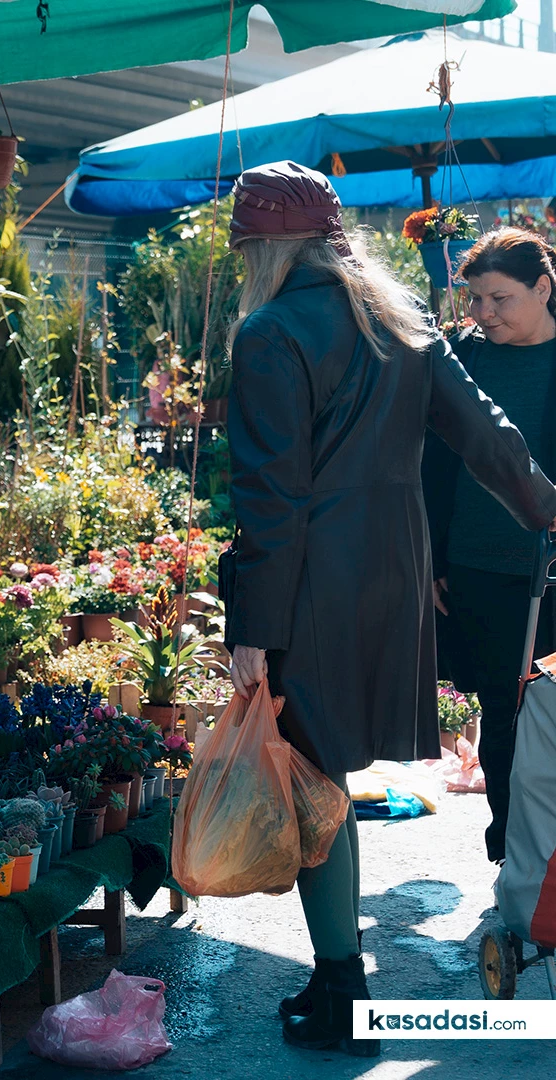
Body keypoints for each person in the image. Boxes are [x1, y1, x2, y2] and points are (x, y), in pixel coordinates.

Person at [223, 162, 556, 1058]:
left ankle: (345, 997)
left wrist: (250, 624)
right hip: (396, 582)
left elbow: (268, 495)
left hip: (306, 587)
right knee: (323, 774)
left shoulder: (269, 332)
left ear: (266, 246)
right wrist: (547, 509)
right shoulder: (400, 322)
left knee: (313, 777)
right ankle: (336, 978)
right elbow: (488, 432)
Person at [423, 228, 556, 866]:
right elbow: (431, 464)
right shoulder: (462, 357)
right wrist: (432, 559)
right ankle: (512, 854)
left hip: (552, 569)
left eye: (499, 299)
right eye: (476, 300)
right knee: (502, 711)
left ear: (543, 288)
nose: (484, 314)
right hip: (478, 563)